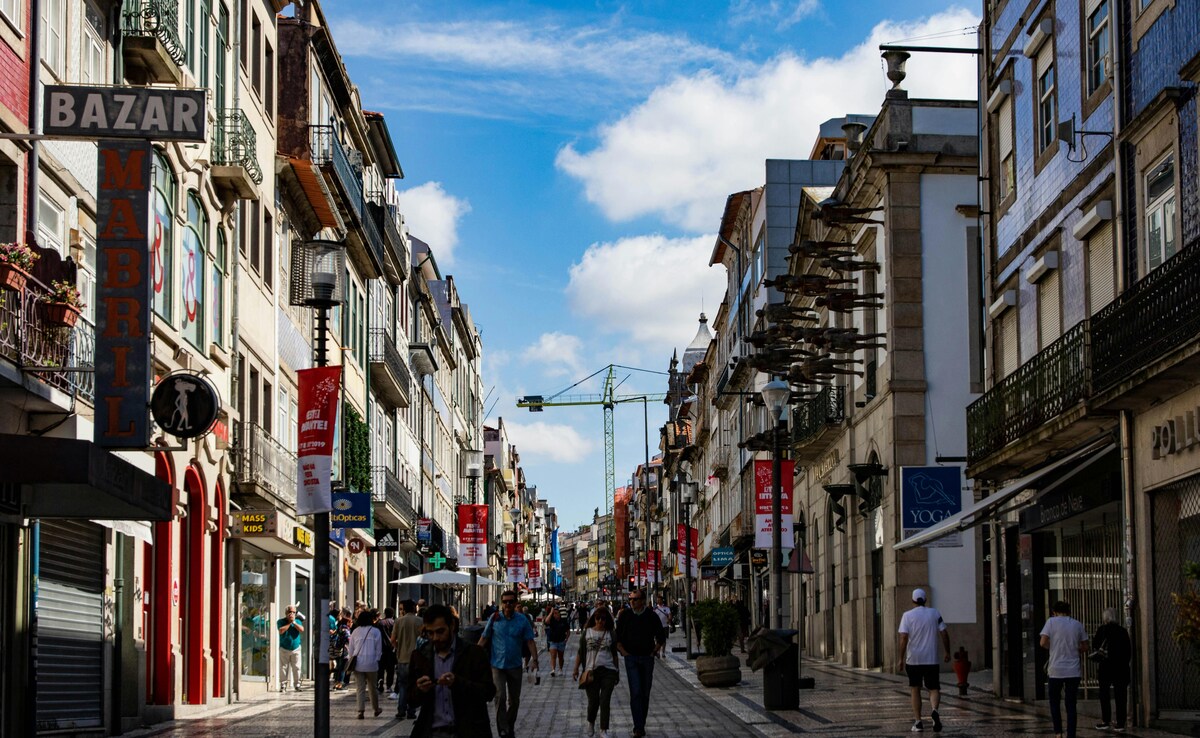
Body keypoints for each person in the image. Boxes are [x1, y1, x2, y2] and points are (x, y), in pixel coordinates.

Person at [408, 603, 496, 737]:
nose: (435, 638)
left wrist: (458, 683)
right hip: (432, 731)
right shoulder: (420, 655)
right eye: (430, 633)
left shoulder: (474, 653)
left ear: (452, 626)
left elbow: (488, 692)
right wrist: (419, 690)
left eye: (440, 631)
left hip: (468, 731)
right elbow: (411, 699)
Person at [478, 590, 538, 738]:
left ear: (516, 603)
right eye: (505, 602)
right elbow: (484, 638)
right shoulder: (495, 618)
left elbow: (530, 640)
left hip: (515, 665)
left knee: (515, 701)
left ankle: (509, 725)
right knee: (500, 697)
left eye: (511, 601)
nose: (508, 604)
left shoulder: (522, 620)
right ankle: (503, 730)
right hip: (497, 665)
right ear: (501, 603)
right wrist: (473, 654)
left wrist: (535, 660)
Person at [897, 587, 950, 733]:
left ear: (913, 600)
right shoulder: (934, 613)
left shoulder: (907, 616)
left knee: (915, 689)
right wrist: (947, 651)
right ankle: (934, 710)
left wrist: (900, 658)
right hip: (931, 659)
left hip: (913, 660)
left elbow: (903, 638)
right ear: (925, 600)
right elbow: (944, 632)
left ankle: (918, 722)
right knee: (934, 688)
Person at [614, 589, 666, 738]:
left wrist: (653, 652)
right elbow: (617, 636)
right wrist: (623, 651)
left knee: (645, 693)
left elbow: (661, 636)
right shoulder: (625, 615)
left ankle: (640, 723)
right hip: (631, 658)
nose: (632, 602)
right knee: (636, 692)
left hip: (647, 658)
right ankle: (638, 727)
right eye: (631, 599)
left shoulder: (651, 616)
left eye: (635, 599)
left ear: (643, 600)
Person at [1040, 600, 1089, 738]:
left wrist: (1054, 648)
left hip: (1055, 670)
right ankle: (1071, 734)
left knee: (1054, 702)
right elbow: (1085, 646)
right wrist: (1075, 650)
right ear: (1069, 611)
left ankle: (1058, 732)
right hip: (1073, 671)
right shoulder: (1077, 624)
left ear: (1054, 612)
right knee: (1071, 704)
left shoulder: (1051, 622)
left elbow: (1042, 642)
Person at [573, 604, 620, 738]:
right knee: (593, 701)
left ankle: (603, 729)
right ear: (594, 618)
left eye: (603, 618)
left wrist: (617, 671)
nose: (600, 621)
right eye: (598, 618)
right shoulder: (587, 633)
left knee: (605, 700)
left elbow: (615, 655)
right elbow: (580, 652)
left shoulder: (611, 633)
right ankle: (590, 722)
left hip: (608, 670)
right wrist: (576, 669)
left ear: (607, 620)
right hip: (590, 671)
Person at [1093, 607, 1132, 732]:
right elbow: (1128, 651)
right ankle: (1121, 723)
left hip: (1105, 667)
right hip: (1120, 668)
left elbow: (1095, 647)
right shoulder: (1122, 631)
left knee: (1104, 694)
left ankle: (1106, 721)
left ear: (1105, 617)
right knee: (1121, 695)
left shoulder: (1102, 630)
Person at [349, 609, 384, 719]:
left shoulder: (355, 631)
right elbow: (379, 649)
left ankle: (360, 711)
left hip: (358, 663)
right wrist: (377, 659)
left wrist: (352, 659)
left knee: (360, 688)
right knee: (373, 687)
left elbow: (351, 649)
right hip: (372, 664)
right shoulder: (375, 631)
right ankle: (376, 709)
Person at [393, 598, 423, 720]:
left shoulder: (399, 621)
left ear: (404, 609)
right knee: (414, 685)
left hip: (402, 658)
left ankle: (401, 710)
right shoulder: (420, 621)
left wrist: (398, 647)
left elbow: (392, 640)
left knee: (403, 685)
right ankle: (411, 711)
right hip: (416, 659)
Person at [277, 604, 305, 692]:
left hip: (296, 648)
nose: (292, 614)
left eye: (294, 612)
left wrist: (294, 622)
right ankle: (283, 685)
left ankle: (297, 685)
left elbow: (301, 630)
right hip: (284, 648)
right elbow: (281, 630)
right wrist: (289, 623)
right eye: (290, 612)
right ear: (286, 613)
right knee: (283, 668)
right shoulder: (281, 621)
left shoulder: (297, 621)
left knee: (297, 667)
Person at [544, 605, 571, 676]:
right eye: (554, 613)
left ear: (559, 614)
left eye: (556, 613)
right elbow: (546, 621)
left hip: (561, 641)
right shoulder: (552, 621)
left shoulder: (563, 621)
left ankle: (560, 669)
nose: (555, 615)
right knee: (553, 655)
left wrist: (566, 639)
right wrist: (551, 612)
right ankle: (553, 670)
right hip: (553, 641)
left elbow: (568, 631)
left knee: (560, 657)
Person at [331, 608, 353, 690]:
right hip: (344, 650)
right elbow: (348, 639)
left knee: (340, 667)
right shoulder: (345, 629)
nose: (351, 624)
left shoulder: (340, 627)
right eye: (350, 622)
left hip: (339, 649)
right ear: (347, 622)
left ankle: (337, 682)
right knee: (343, 667)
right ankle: (340, 683)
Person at [377, 607, 397, 694]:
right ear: (392, 614)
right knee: (390, 669)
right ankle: (389, 686)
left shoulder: (380, 623)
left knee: (380, 669)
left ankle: (380, 685)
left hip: (382, 649)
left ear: (385, 613)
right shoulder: (394, 623)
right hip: (392, 649)